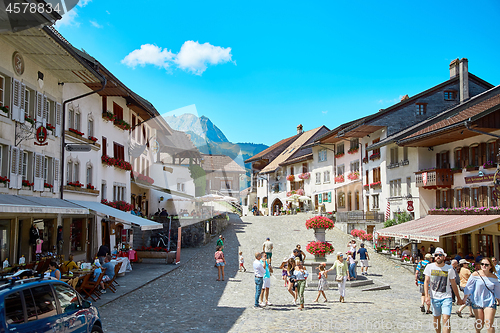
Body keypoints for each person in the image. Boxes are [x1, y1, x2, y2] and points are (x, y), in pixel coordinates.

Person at [424, 247, 462, 333]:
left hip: (446, 297)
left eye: (440, 255)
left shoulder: (449, 268)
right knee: (436, 319)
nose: (438, 257)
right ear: (434, 257)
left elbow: (453, 284)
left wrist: (458, 297)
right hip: (434, 297)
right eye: (436, 255)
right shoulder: (429, 267)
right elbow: (426, 282)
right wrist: (427, 296)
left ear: (444, 257)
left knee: (446, 318)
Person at [463, 257, 500, 332]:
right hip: (477, 301)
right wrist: (465, 298)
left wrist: (498, 299)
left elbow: (497, 291)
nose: (484, 266)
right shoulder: (475, 275)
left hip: (490, 302)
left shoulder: (494, 277)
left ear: (490, 266)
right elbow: (468, 288)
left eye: (486, 264)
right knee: (479, 323)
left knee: (489, 323)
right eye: (482, 264)